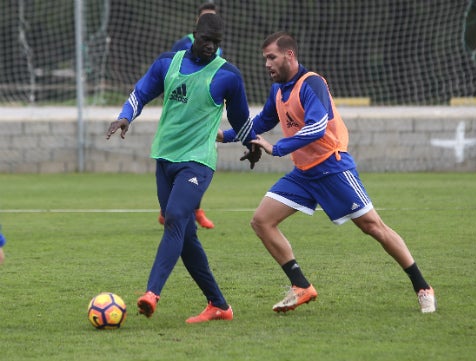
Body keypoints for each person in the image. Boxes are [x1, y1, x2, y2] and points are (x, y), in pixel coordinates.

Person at [219, 31, 436, 314]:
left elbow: (317, 126)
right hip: (303, 174)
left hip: (332, 167)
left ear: (290, 55)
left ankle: (422, 287)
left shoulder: (312, 83)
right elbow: (259, 122)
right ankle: (301, 286)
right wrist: (221, 135)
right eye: (264, 59)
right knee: (261, 221)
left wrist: (278, 148)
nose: (267, 64)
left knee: (373, 227)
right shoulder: (278, 91)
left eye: (271, 57)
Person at [106, 13, 260, 324]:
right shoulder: (168, 63)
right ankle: (219, 305)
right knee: (186, 237)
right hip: (165, 160)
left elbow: (242, 121)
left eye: (216, 44)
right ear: (194, 36)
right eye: (206, 41)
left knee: (175, 217)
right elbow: (141, 93)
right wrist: (125, 117)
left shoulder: (228, 75)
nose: (211, 48)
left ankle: (152, 294)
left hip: (198, 162)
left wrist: (251, 144)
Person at [157, 1, 220, 229]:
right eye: (206, 16)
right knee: (181, 164)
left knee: (201, 162)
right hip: (183, 117)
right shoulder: (183, 44)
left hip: (205, 116)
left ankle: (195, 210)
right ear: (197, 22)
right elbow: (172, 74)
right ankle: (170, 210)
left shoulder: (216, 47)